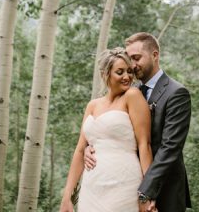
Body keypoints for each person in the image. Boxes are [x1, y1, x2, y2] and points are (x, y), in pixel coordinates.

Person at [85, 32, 192, 212]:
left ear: (155, 55)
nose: (132, 66)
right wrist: (92, 146)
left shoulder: (176, 93)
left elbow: (170, 148)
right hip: (128, 186)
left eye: (136, 58)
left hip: (164, 190)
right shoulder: (129, 92)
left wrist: (146, 192)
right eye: (129, 59)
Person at [60, 47, 153, 212]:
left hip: (123, 182)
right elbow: (80, 151)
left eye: (129, 71)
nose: (127, 77)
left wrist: (147, 194)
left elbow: (144, 145)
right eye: (120, 72)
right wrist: (67, 196)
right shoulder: (92, 105)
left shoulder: (132, 96)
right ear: (105, 74)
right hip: (92, 185)